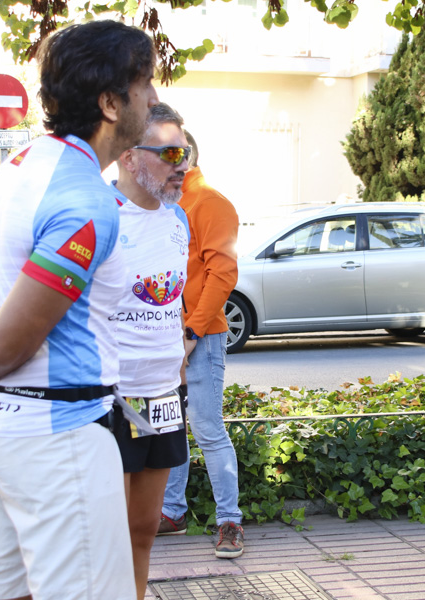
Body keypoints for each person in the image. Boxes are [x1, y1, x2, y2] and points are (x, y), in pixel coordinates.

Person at [0, 19, 158, 600]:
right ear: (110, 102)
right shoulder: (86, 202)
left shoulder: (13, 175)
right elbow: (0, 345)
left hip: (1, 436)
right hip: (61, 441)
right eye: (144, 83)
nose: (153, 96)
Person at [110, 102, 192, 600]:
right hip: (111, 397)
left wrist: (182, 350)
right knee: (106, 536)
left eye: (186, 151)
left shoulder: (177, 218)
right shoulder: (102, 217)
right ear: (128, 156)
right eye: (170, 152)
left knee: (143, 530)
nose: (183, 163)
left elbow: (174, 297)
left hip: (163, 395)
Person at [159, 130, 244, 558]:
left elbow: (223, 275)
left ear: (183, 156)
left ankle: (230, 520)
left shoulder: (209, 202)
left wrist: (190, 335)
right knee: (172, 427)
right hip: (169, 339)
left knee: (208, 429)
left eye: (165, 151)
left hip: (200, 339)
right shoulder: (168, 204)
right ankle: (172, 513)